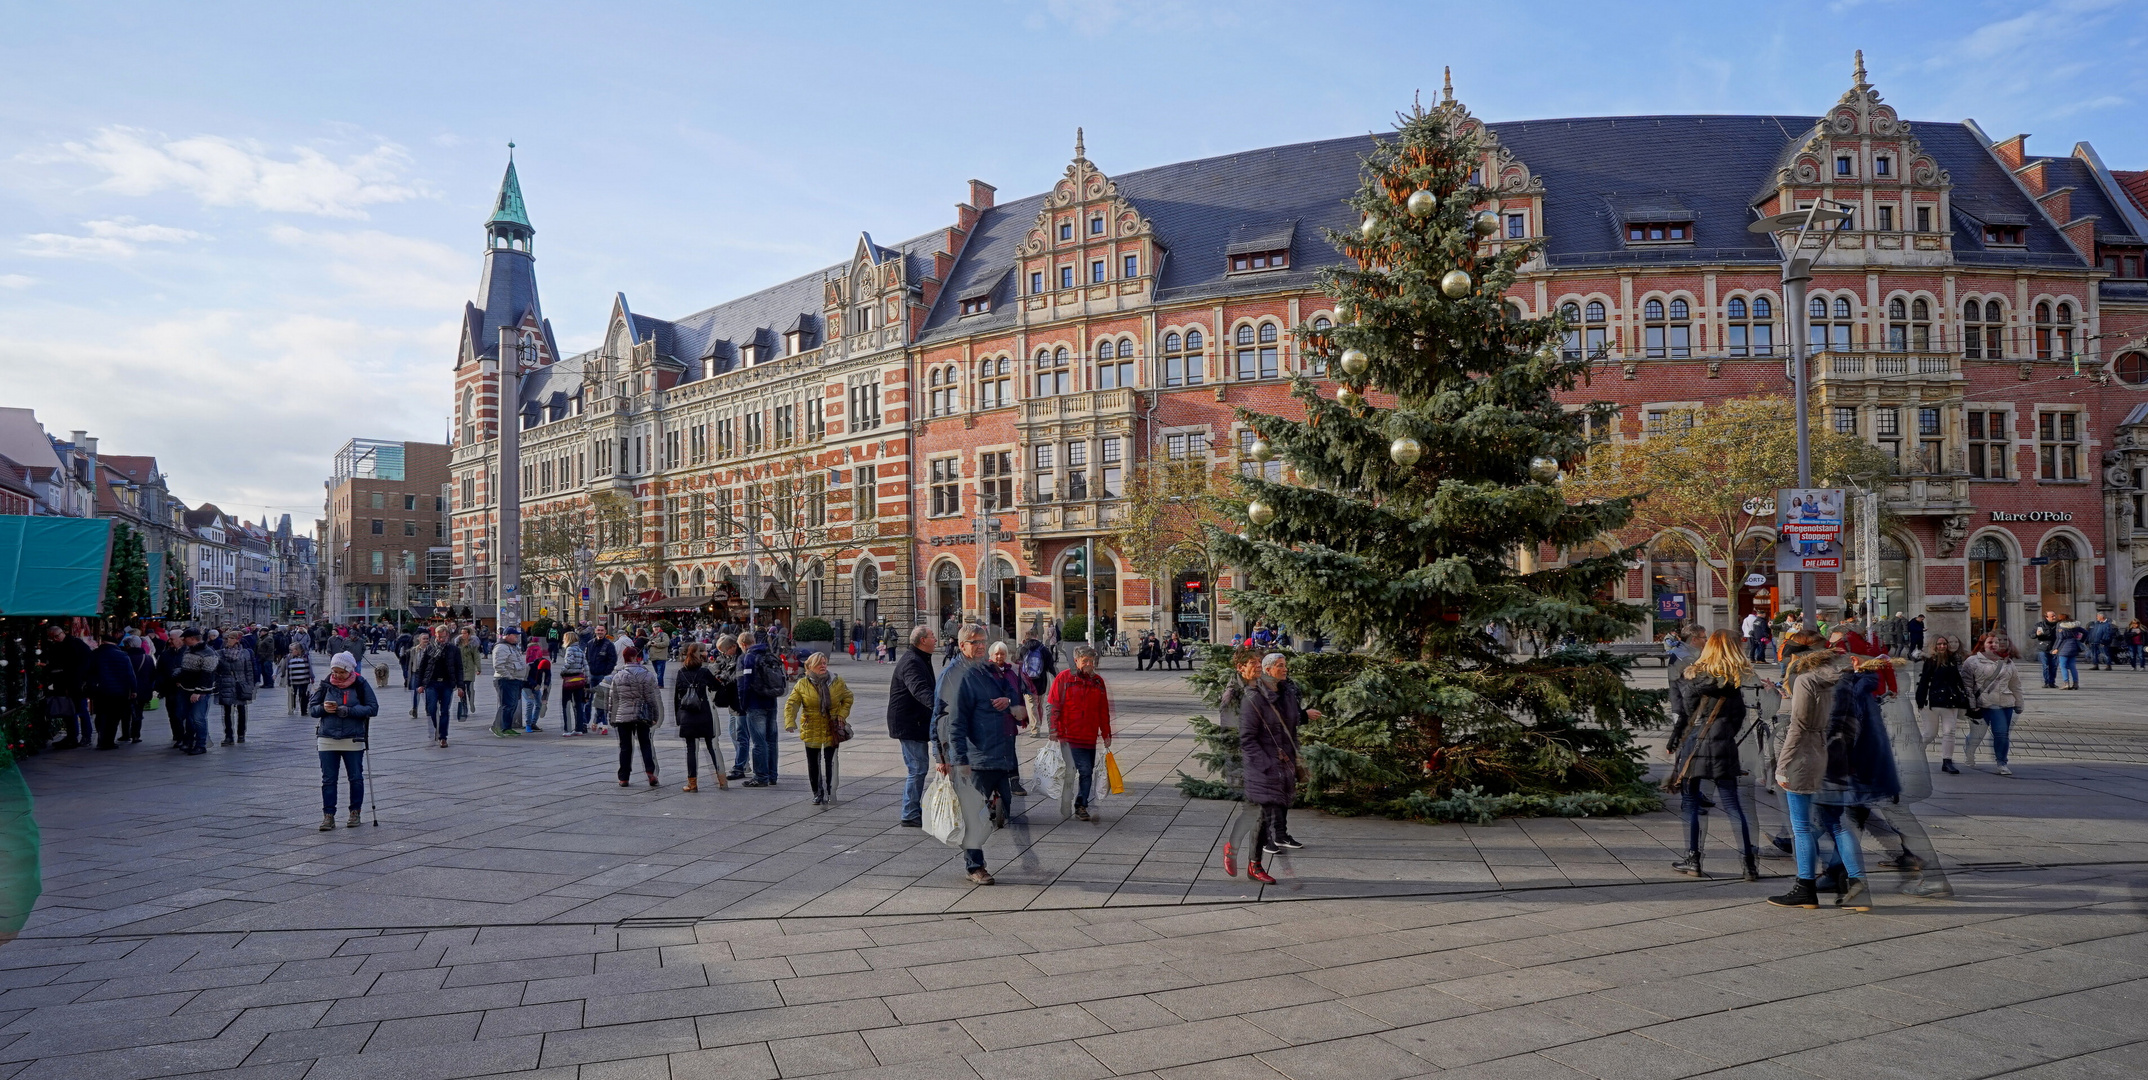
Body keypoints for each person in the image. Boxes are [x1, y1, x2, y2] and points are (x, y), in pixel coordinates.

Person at [1769, 646, 1874, 911]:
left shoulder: (1807, 680)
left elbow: (1799, 725)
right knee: (1838, 825)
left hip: (1806, 756)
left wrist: (1782, 764)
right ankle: (1858, 887)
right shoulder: (1844, 681)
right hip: (1836, 757)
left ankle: (1804, 888)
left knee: (1802, 827)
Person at [1665, 631, 1759, 881]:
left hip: (1696, 746)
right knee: (1733, 806)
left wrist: (1674, 740)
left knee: (1692, 804)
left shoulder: (1695, 677)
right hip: (1724, 747)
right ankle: (1749, 864)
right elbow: (1739, 718)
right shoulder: (1737, 681)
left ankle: (1693, 859)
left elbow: (1686, 715)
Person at [939, 625, 1020, 884]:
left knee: (1001, 808)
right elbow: (946, 720)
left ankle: (975, 857)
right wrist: (947, 758)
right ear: (962, 645)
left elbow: (1011, 691)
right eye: (974, 642)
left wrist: (1007, 701)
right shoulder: (954, 675)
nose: (980, 646)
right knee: (973, 814)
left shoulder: (988, 670)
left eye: (983, 641)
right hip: (973, 757)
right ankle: (975, 865)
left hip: (998, 751)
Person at [1238, 652, 1309, 885]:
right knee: (1263, 815)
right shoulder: (1254, 698)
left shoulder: (1286, 693)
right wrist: (1267, 764)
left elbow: (1291, 725)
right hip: (1264, 767)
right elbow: (1247, 739)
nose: (1285, 669)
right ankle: (1254, 865)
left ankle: (1256, 858)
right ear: (1268, 671)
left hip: (1283, 764)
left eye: (1285, 665)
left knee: (1272, 813)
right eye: (1280, 666)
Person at [1046, 645, 1114, 821]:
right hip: (1068, 735)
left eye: (1092, 661)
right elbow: (1053, 706)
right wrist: (1053, 729)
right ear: (1076, 661)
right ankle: (1070, 801)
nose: (1089, 664)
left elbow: (1103, 710)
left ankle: (1081, 805)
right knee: (1072, 770)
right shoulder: (1064, 679)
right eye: (1085, 661)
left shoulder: (1098, 682)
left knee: (1086, 771)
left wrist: (1106, 733)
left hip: (1089, 736)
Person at [310, 652, 376, 830]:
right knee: (328, 780)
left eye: (341, 672)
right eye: (334, 671)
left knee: (355, 777)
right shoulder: (326, 684)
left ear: (349, 669)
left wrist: (349, 711)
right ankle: (328, 816)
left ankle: (355, 812)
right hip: (327, 737)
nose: (337, 675)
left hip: (352, 737)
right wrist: (323, 709)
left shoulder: (360, 684)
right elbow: (312, 709)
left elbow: (373, 708)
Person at [784, 651, 854, 806]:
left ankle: (830, 791)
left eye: (824, 663)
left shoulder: (836, 681)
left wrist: (842, 714)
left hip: (831, 726)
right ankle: (817, 792)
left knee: (831, 761)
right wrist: (790, 722)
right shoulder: (802, 684)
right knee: (813, 762)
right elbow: (792, 703)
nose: (823, 666)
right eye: (819, 664)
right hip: (811, 726)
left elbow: (848, 698)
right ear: (809, 667)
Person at [886, 625, 937, 827]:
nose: (935, 639)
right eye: (932, 636)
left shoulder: (920, 658)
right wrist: (939, 706)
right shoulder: (912, 662)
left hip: (915, 721)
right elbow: (919, 689)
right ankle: (909, 813)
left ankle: (913, 809)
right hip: (908, 722)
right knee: (917, 768)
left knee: (919, 767)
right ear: (922, 640)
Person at [1961, 634, 2025, 777]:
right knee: (1977, 735)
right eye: (1990, 642)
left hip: (2003, 705)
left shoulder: (2008, 662)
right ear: (1983, 644)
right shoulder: (1972, 661)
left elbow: (2015, 684)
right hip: (1981, 705)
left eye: (1996, 642)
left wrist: (2019, 702)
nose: (1994, 645)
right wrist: (1972, 705)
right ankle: (1969, 751)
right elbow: (1967, 685)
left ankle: (2001, 763)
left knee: (2002, 734)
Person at [673, 642, 726, 792]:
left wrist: (679, 718)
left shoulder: (681, 672)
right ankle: (722, 780)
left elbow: (677, 698)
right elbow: (717, 687)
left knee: (691, 749)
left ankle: (693, 784)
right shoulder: (704, 672)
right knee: (711, 747)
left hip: (687, 715)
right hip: (703, 713)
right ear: (698, 654)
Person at [1914, 636, 1970, 775]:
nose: (1942, 646)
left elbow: (1958, 680)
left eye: (1944, 644)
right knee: (1930, 733)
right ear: (1934, 646)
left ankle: (1947, 761)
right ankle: (1913, 756)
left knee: (1949, 732)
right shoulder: (1929, 661)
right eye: (1939, 644)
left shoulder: (1952, 660)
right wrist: (1920, 701)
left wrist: (1964, 698)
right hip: (1932, 702)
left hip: (1950, 701)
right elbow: (1923, 682)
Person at [608, 645, 662, 788]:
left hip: (622, 716)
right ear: (636, 658)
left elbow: (613, 699)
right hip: (642, 715)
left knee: (625, 747)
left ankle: (623, 778)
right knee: (645, 744)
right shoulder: (647, 675)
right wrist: (655, 715)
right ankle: (650, 772)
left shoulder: (617, 676)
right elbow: (651, 699)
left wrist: (611, 717)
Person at [735, 630, 784, 787]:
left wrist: (743, 705)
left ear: (743, 644)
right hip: (771, 701)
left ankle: (760, 777)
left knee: (759, 742)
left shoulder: (747, 657)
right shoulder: (769, 655)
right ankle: (772, 775)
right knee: (772, 740)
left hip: (755, 704)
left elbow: (744, 683)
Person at [88, 629, 137, 752]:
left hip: (100, 691)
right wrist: (134, 690)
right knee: (114, 717)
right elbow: (130, 675)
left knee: (100, 715)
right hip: (119, 692)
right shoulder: (122, 655)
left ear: (103, 642)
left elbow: (89, 673)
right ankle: (109, 741)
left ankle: (101, 739)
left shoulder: (95, 654)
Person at [414, 629, 462, 747]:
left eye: (443, 637)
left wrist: (460, 686)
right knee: (431, 709)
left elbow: (459, 668)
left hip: (447, 683)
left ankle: (443, 737)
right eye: (439, 637)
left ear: (448, 636)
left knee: (445, 710)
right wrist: (420, 684)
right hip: (432, 683)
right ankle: (438, 729)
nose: (441, 639)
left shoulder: (453, 649)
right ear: (435, 636)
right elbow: (422, 667)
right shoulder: (430, 648)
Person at [215, 630, 258, 746]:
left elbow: (249, 670)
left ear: (237, 640)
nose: (227, 640)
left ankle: (241, 734)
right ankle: (228, 736)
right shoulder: (219, 653)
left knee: (241, 710)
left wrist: (250, 685)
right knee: (227, 711)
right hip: (226, 684)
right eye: (226, 638)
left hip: (241, 684)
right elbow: (216, 670)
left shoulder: (245, 653)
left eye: (230, 638)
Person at [490, 628, 528, 738]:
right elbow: (498, 665)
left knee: (512, 705)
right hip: (505, 680)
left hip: (515, 679)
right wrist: (509, 676)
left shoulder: (512, 647)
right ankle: (497, 726)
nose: (517, 637)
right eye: (515, 635)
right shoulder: (501, 647)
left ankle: (507, 727)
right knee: (506, 705)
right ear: (508, 635)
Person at [556, 630, 592, 736]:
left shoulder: (570, 649)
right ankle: (579, 728)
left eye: (564, 638)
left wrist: (562, 670)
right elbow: (586, 666)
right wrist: (587, 680)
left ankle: (567, 729)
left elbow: (569, 662)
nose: (563, 640)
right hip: (579, 680)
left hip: (569, 679)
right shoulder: (580, 650)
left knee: (566, 704)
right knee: (578, 705)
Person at [586, 627, 620, 734]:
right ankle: (586, 722)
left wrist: (606, 672)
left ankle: (601, 722)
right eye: (598, 630)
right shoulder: (590, 643)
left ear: (605, 632)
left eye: (602, 630)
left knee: (602, 701)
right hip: (591, 675)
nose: (600, 632)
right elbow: (586, 657)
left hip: (602, 676)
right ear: (595, 631)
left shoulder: (609, 645)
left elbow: (612, 659)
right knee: (588, 700)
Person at [523, 636, 551, 733]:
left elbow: (548, 676)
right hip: (526, 686)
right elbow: (526, 677)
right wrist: (535, 684)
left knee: (538, 704)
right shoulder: (530, 666)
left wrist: (546, 685)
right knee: (530, 703)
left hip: (536, 686)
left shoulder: (546, 664)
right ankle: (528, 724)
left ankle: (533, 723)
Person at [2053, 616, 2086, 689]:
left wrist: (2056, 648)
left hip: (2064, 648)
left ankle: (2066, 683)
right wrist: (2081, 640)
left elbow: (2060, 639)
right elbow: (2085, 632)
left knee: (2063, 666)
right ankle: (2075, 683)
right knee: (2072, 666)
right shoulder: (2076, 626)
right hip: (2074, 647)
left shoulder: (2061, 626)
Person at [2032, 609, 2062, 688]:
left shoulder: (2059, 625)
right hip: (2043, 648)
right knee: (2046, 666)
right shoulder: (2040, 625)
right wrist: (2036, 634)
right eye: (2052, 616)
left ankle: (2052, 682)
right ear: (2046, 617)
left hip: (2055, 648)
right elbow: (2031, 635)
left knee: (2054, 666)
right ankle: (2046, 682)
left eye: (2054, 615)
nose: (2054, 617)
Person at [456, 630, 481, 720]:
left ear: (469, 634)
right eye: (462, 633)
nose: (463, 634)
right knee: (461, 689)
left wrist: (478, 668)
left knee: (470, 688)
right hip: (460, 669)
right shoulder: (457, 644)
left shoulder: (473, 644)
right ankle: (464, 707)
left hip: (469, 668)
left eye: (465, 633)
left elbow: (476, 657)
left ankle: (471, 702)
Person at [284, 642, 315, 716]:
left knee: (303, 694)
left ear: (298, 650)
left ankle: (303, 710)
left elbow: (310, 667)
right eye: (290, 650)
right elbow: (284, 667)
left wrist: (312, 676)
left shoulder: (306, 657)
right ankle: (293, 706)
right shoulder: (288, 657)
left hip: (304, 679)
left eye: (293, 650)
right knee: (293, 694)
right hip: (293, 679)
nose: (291, 651)